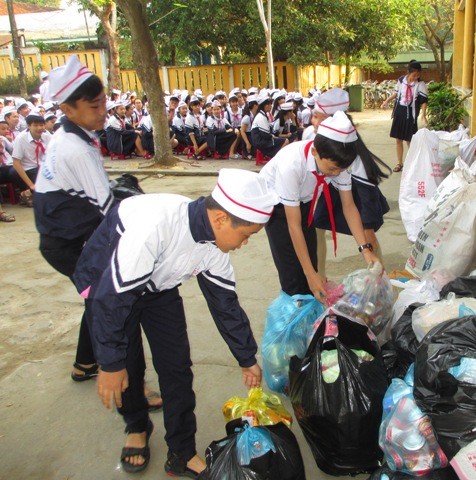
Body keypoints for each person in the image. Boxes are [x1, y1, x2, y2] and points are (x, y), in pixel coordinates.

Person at [72, 169, 279, 477]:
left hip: (158, 287)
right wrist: (110, 363)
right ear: (222, 219)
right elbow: (110, 300)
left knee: (177, 368)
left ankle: (181, 452)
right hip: (110, 282)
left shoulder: (213, 247)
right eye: (246, 235)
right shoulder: (156, 227)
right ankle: (137, 427)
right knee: (127, 367)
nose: (244, 243)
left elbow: (225, 305)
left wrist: (246, 358)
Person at [32, 57, 161, 410]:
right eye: (94, 105)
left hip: (64, 239)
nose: (104, 110)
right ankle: (128, 385)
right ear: (68, 108)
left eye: (104, 101)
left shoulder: (70, 136)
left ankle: (84, 363)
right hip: (69, 245)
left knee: (96, 297)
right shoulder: (74, 148)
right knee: (114, 300)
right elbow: (109, 211)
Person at [259, 111, 381, 303]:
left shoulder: (337, 163)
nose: (337, 173)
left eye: (341, 169)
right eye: (333, 169)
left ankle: (309, 315)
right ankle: (291, 317)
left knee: (312, 266)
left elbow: (349, 207)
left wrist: (365, 249)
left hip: (304, 202)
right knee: (293, 275)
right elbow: (293, 225)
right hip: (277, 208)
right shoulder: (291, 164)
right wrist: (310, 275)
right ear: (315, 152)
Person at [305, 88, 391, 277]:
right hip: (325, 194)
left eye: (318, 117)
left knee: (369, 239)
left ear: (331, 119)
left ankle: (380, 280)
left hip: (355, 196)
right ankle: (320, 277)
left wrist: (367, 229)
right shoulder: (311, 136)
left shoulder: (351, 152)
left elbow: (365, 197)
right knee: (316, 231)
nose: (313, 122)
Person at [381, 60, 428, 172]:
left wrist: (424, 114)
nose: (416, 77)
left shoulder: (420, 85)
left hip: (410, 114)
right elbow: (396, 93)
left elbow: (423, 101)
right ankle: (399, 163)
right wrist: (386, 101)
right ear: (408, 72)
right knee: (398, 139)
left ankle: (413, 164)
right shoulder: (401, 80)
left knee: (409, 140)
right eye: (414, 74)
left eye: (418, 74)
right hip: (399, 111)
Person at [10, 112, 51, 207]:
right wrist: (31, 185)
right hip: (28, 169)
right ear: (29, 126)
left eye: (41, 125)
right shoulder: (21, 139)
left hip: (43, 167)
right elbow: (16, 163)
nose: (39, 128)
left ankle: (28, 193)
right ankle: (28, 192)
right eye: (35, 125)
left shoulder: (47, 136)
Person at [251, 94, 288, 159]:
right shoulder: (260, 117)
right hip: (260, 141)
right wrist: (274, 137)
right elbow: (265, 134)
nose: (271, 106)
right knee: (286, 141)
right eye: (270, 104)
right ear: (265, 106)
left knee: (283, 140)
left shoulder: (263, 115)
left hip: (261, 139)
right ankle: (277, 159)